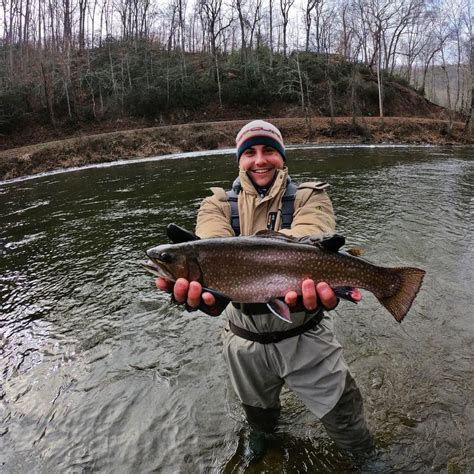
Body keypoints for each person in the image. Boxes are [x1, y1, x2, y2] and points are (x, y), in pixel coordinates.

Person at [156, 120, 373, 457]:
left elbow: (310, 230)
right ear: (239, 160)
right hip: (243, 341)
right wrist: (207, 277)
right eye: (250, 153)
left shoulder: (310, 195)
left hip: (306, 334)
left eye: (269, 150)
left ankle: (364, 458)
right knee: (260, 418)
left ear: (282, 157)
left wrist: (268, 247)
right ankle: (264, 444)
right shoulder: (216, 203)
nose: (259, 160)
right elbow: (212, 240)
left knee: (345, 420)